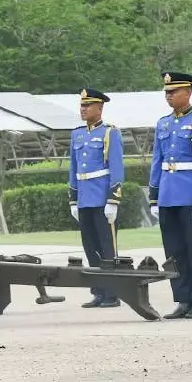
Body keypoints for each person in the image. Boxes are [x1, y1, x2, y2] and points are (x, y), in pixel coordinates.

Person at [149, 72, 192, 320]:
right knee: (174, 252)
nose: (168, 96)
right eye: (166, 92)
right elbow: (157, 161)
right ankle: (183, 299)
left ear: (188, 92)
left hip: (190, 196)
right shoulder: (163, 123)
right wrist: (154, 197)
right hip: (168, 195)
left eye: (173, 91)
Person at [67, 88, 125, 308]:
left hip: (102, 197)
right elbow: (73, 169)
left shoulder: (110, 133)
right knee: (90, 245)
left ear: (99, 108)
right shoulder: (77, 134)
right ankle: (98, 291)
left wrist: (113, 199)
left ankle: (112, 293)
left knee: (107, 246)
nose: (83, 109)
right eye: (81, 106)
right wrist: (73, 199)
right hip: (84, 197)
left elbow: (116, 168)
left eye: (87, 106)